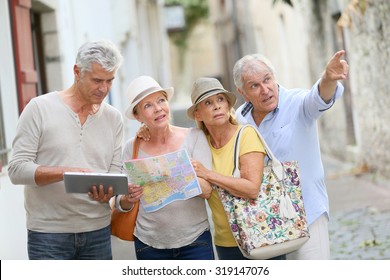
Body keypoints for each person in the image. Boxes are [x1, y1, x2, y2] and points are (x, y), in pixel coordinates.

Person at [8, 40, 124, 260]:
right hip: (48, 235)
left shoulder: (113, 118)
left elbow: (114, 172)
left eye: (110, 81)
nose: (104, 88)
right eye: (97, 80)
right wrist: (66, 173)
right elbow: (16, 169)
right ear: (77, 71)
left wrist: (108, 191)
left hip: (98, 231)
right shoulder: (39, 108)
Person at [233, 50, 349, 260]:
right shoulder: (239, 120)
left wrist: (328, 79)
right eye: (254, 86)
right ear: (243, 92)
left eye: (267, 79)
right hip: (264, 220)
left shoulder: (297, 103)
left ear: (274, 77)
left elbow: (318, 98)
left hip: (307, 215)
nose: (265, 89)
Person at [115, 75, 215, 260]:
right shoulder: (132, 147)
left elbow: (208, 190)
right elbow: (121, 203)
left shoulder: (194, 136)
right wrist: (128, 198)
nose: (158, 108)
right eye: (148, 106)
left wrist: (179, 173)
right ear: (137, 116)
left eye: (161, 100)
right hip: (148, 244)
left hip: (195, 240)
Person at [186, 77, 285, 260]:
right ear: (198, 114)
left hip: (261, 235)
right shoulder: (199, 143)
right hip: (225, 243)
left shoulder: (245, 134)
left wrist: (208, 174)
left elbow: (252, 188)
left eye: (220, 99)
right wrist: (143, 131)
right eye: (208, 103)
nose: (217, 106)